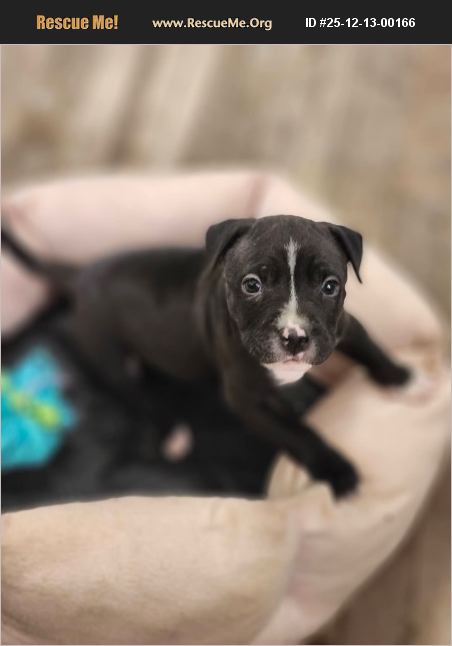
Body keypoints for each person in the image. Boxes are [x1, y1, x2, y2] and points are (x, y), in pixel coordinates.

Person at [1, 170, 449, 645]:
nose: (295, 327)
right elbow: (249, 406)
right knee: (130, 389)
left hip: (123, 286)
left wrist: (393, 373)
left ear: (345, 273)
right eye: (255, 285)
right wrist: (324, 460)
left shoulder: (320, 313)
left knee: (326, 337)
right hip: (106, 313)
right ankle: (160, 423)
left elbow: (349, 331)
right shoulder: (224, 322)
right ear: (225, 266)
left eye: (326, 287)